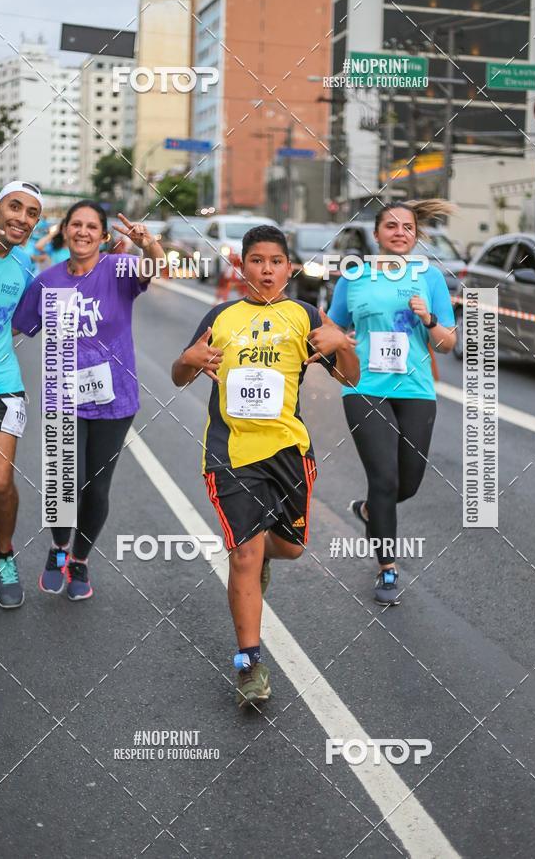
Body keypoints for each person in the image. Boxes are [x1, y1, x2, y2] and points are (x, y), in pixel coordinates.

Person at [172, 225, 359, 708]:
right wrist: (187, 359)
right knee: (244, 556)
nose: (267, 269)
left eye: (276, 261)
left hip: (288, 452)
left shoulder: (304, 316)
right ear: (242, 265)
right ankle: (249, 665)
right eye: (257, 260)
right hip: (231, 453)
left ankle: (259, 561)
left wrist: (342, 343)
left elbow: (348, 378)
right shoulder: (221, 316)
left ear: (289, 268)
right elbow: (180, 375)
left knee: (291, 550)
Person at [13, 201, 163, 600]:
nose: (82, 231)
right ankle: (60, 547)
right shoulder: (46, 282)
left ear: (103, 235)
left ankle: (80, 558)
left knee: (95, 488)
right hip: (63, 397)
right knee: (65, 482)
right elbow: (17, 331)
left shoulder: (118, 270)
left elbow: (153, 269)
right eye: (75, 224)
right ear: (64, 231)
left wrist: (149, 246)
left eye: (91, 226)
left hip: (116, 400)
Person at [328, 200, 457, 606]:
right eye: (391, 226)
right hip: (364, 387)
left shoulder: (430, 278)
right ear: (377, 233)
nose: (400, 232)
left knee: (408, 482)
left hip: (416, 389)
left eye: (408, 227)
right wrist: (338, 341)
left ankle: (369, 509)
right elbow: (332, 328)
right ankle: (387, 569)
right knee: (384, 478)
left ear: (416, 235)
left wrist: (430, 320)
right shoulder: (356, 276)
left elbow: (448, 344)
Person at [0, 181, 44, 617]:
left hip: (1, 387)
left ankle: (4, 554)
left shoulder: (26, 269)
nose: (21, 217)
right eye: (14, 206)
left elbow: (25, 321)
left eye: (31, 212)